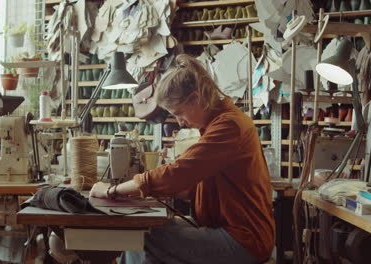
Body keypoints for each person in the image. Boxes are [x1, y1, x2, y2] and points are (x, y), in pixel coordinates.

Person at [90, 54, 275, 264]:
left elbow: (176, 172)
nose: (180, 122)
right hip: (230, 232)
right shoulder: (219, 123)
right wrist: (145, 191)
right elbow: (193, 182)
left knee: (141, 237)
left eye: (179, 113)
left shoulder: (229, 126)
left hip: (245, 242)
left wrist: (111, 190)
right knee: (147, 232)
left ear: (196, 99)